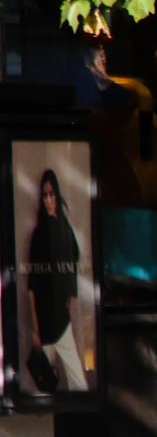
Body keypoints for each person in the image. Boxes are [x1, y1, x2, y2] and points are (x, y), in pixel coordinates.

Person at [26, 168, 85, 394]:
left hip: (60, 319)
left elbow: (73, 264)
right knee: (46, 383)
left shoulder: (62, 229)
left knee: (74, 379)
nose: (49, 200)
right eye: (45, 195)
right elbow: (32, 287)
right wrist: (36, 329)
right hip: (49, 320)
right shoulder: (41, 233)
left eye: (52, 194)